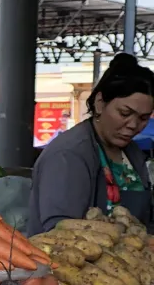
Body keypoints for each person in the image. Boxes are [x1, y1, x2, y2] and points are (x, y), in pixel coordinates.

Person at [29, 54, 154, 234]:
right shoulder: (69, 154)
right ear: (100, 103)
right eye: (125, 113)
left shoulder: (131, 152)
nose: (134, 125)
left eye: (143, 118)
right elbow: (60, 230)